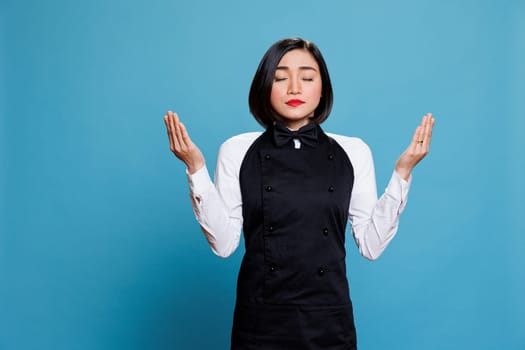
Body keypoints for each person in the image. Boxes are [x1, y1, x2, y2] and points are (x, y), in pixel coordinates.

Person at [164, 37, 435, 350]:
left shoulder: (354, 151)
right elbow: (224, 245)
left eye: (307, 78)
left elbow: (371, 246)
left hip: (329, 322)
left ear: (323, 89)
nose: (294, 88)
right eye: (280, 78)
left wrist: (402, 174)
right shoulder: (237, 150)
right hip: (260, 323)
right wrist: (196, 169)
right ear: (264, 87)